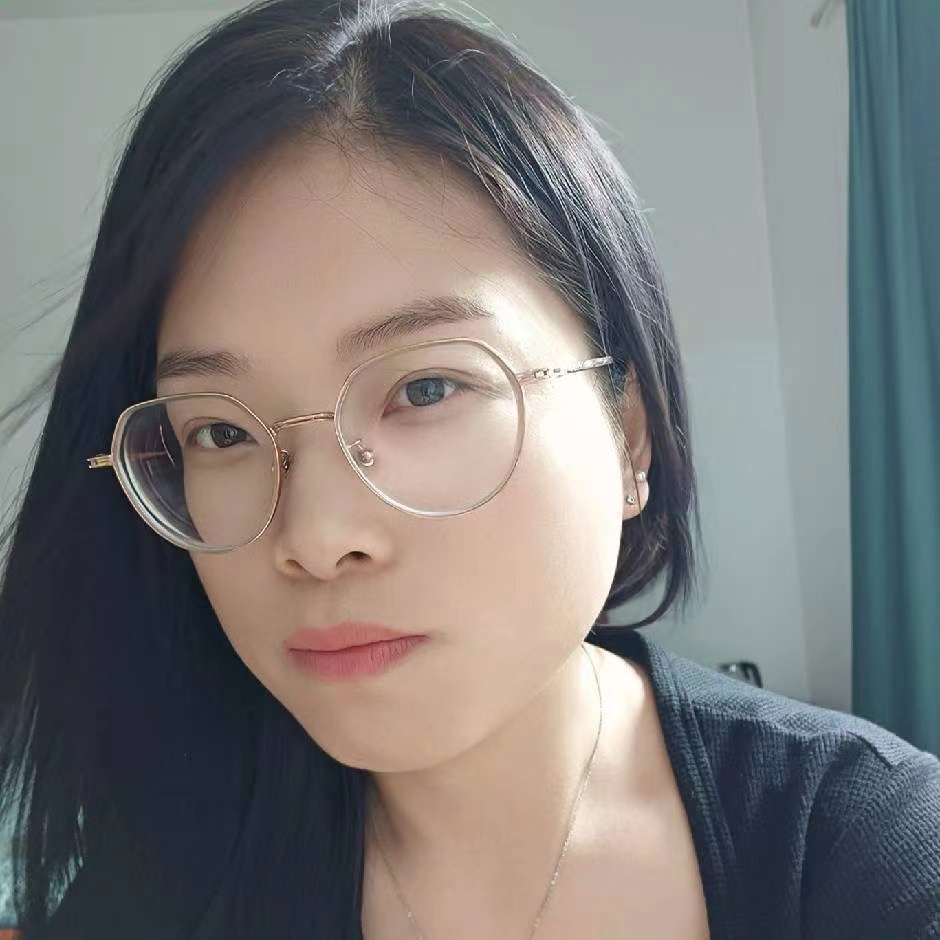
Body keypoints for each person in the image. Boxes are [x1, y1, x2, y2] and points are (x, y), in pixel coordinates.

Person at [0, 1, 937, 938]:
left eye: (427, 388)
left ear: (628, 433)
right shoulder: (162, 879)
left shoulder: (873, 856)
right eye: (220, 432)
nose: (315, 538)